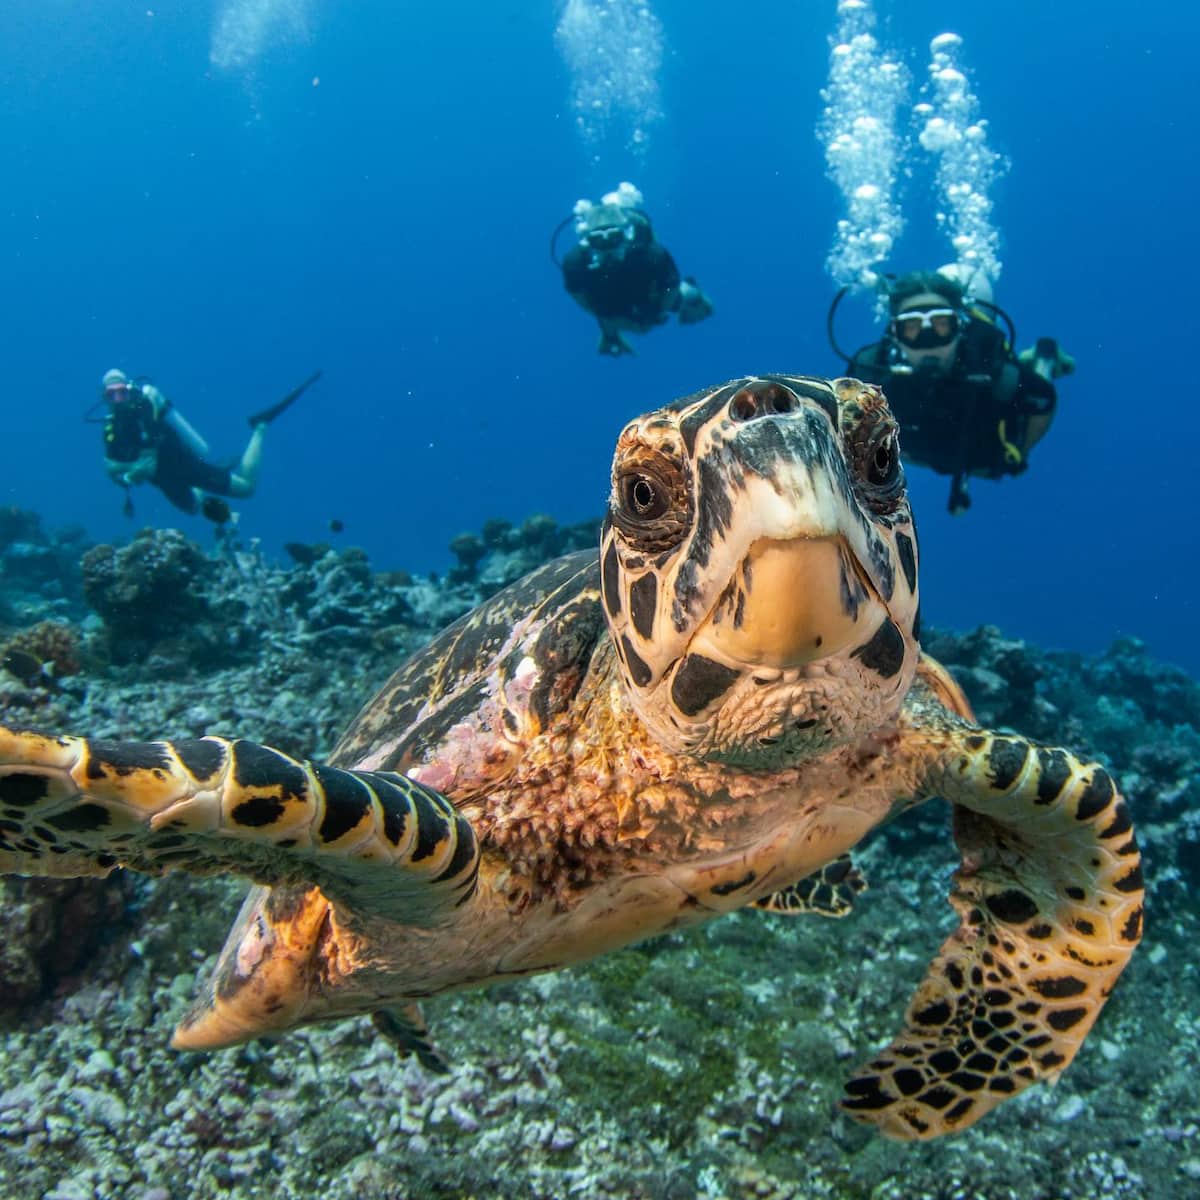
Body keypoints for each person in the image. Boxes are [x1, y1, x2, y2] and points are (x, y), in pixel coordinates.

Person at [844, 268, 1074, 514]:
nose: (928, 339)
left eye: (941, 325)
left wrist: (1019, 451)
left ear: (959, 328)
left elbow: (1043, 400)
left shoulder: (993, 371)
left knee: (1023, 383)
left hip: (983, 456)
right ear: (895, 335)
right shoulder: (871, 375)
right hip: (919, 451)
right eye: (912, 327)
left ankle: (1043, 357)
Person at [98, 368, 321, 523]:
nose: (118, 399)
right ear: (105, 398)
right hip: (164, 480)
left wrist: (129, 471)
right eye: (111, 395)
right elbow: (110, 466)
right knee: (194, 508)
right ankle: (218, 469)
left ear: (129, 390)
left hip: (184, 464)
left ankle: (260, 427)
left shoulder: (145, 406)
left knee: (246, 488)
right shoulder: (111, 426)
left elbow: (148, 462)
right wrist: (128, 473)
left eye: (122, 392)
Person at [558, 182, 714, 357]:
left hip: (654, 295)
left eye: (614, 238)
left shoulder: (650, 253)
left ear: (625, 235)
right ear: (588, 242)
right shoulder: (575, 263)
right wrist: (609, 322)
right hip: (613, 305)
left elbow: (671, 283)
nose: (608, 248)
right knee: (607, 315)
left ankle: (696, 296)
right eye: (599, 241)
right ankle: (611, 336)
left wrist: (658, 311)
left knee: (681, 295)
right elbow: (583, 299)